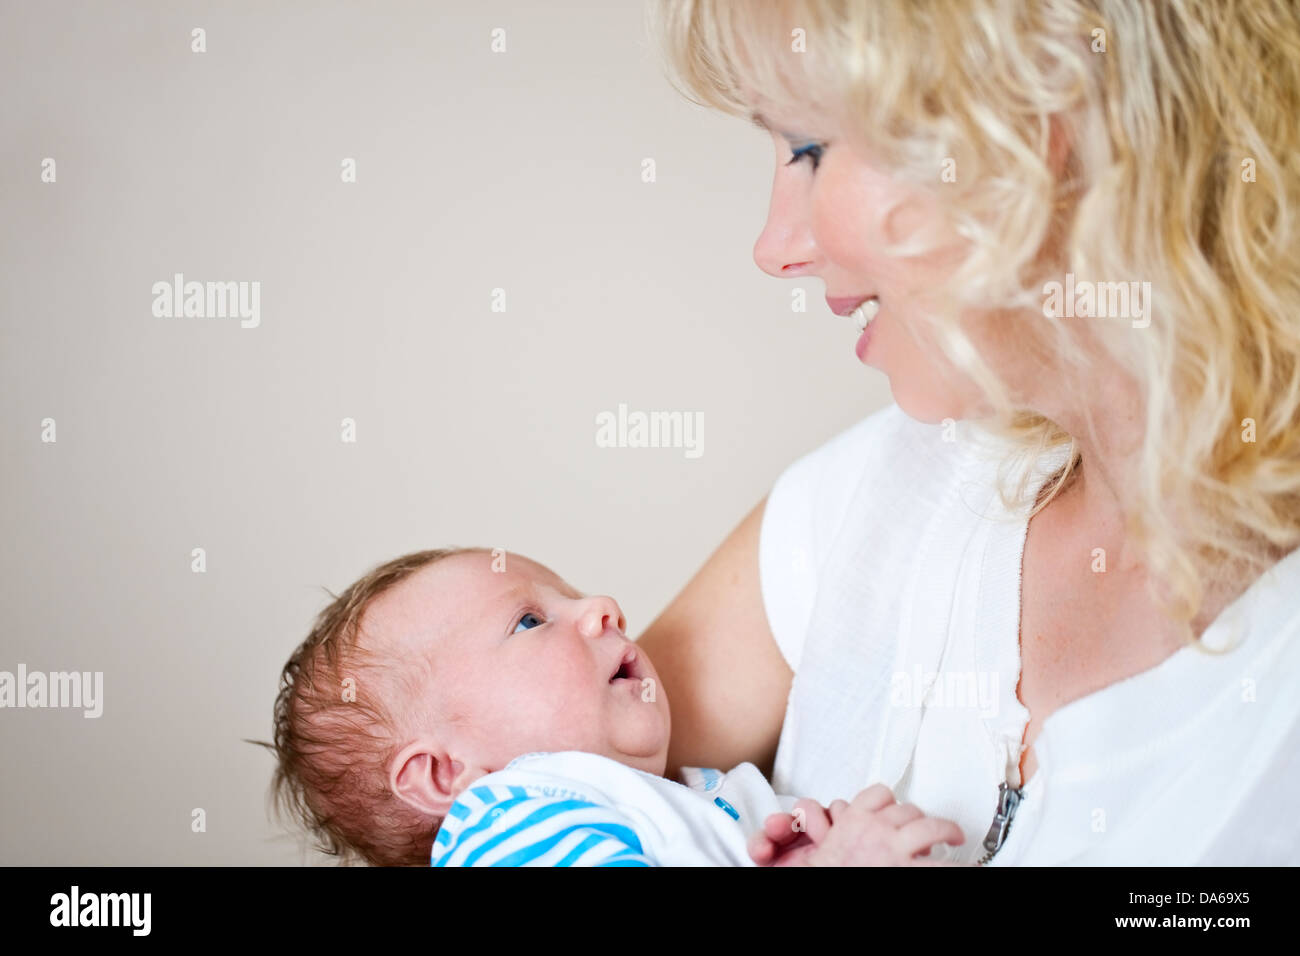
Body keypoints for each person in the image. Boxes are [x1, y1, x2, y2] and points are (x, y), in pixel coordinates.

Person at [637, 0, 1300, 864]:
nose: (775, 246)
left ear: (1031, 122)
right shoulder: (872, 501)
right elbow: (497, 796)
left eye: (809, 149)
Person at [262, 547, 966, 866]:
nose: (603, 607)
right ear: (446, 776)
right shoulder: (510, 818)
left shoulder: (703, 797)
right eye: (530, 622)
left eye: (572, 593)